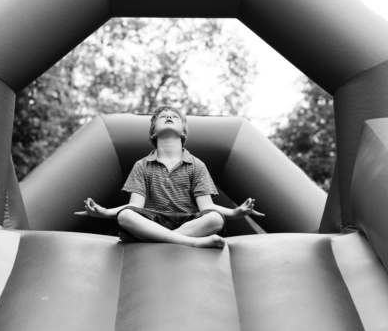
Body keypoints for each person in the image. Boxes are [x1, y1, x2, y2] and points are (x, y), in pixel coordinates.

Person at [75, 105, 264, 248]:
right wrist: (105, 212)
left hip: (189, 221)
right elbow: (135, 206)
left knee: (215, 219)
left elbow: (206, 207)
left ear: (183, 132)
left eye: (174, 116)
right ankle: (191, 243)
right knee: (125, 216)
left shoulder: (196, 165)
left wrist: (234, 213)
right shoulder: (142, 166)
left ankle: (162, 238)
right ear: (153, 132)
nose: (168, 116)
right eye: (163, 116)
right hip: (153, 220)